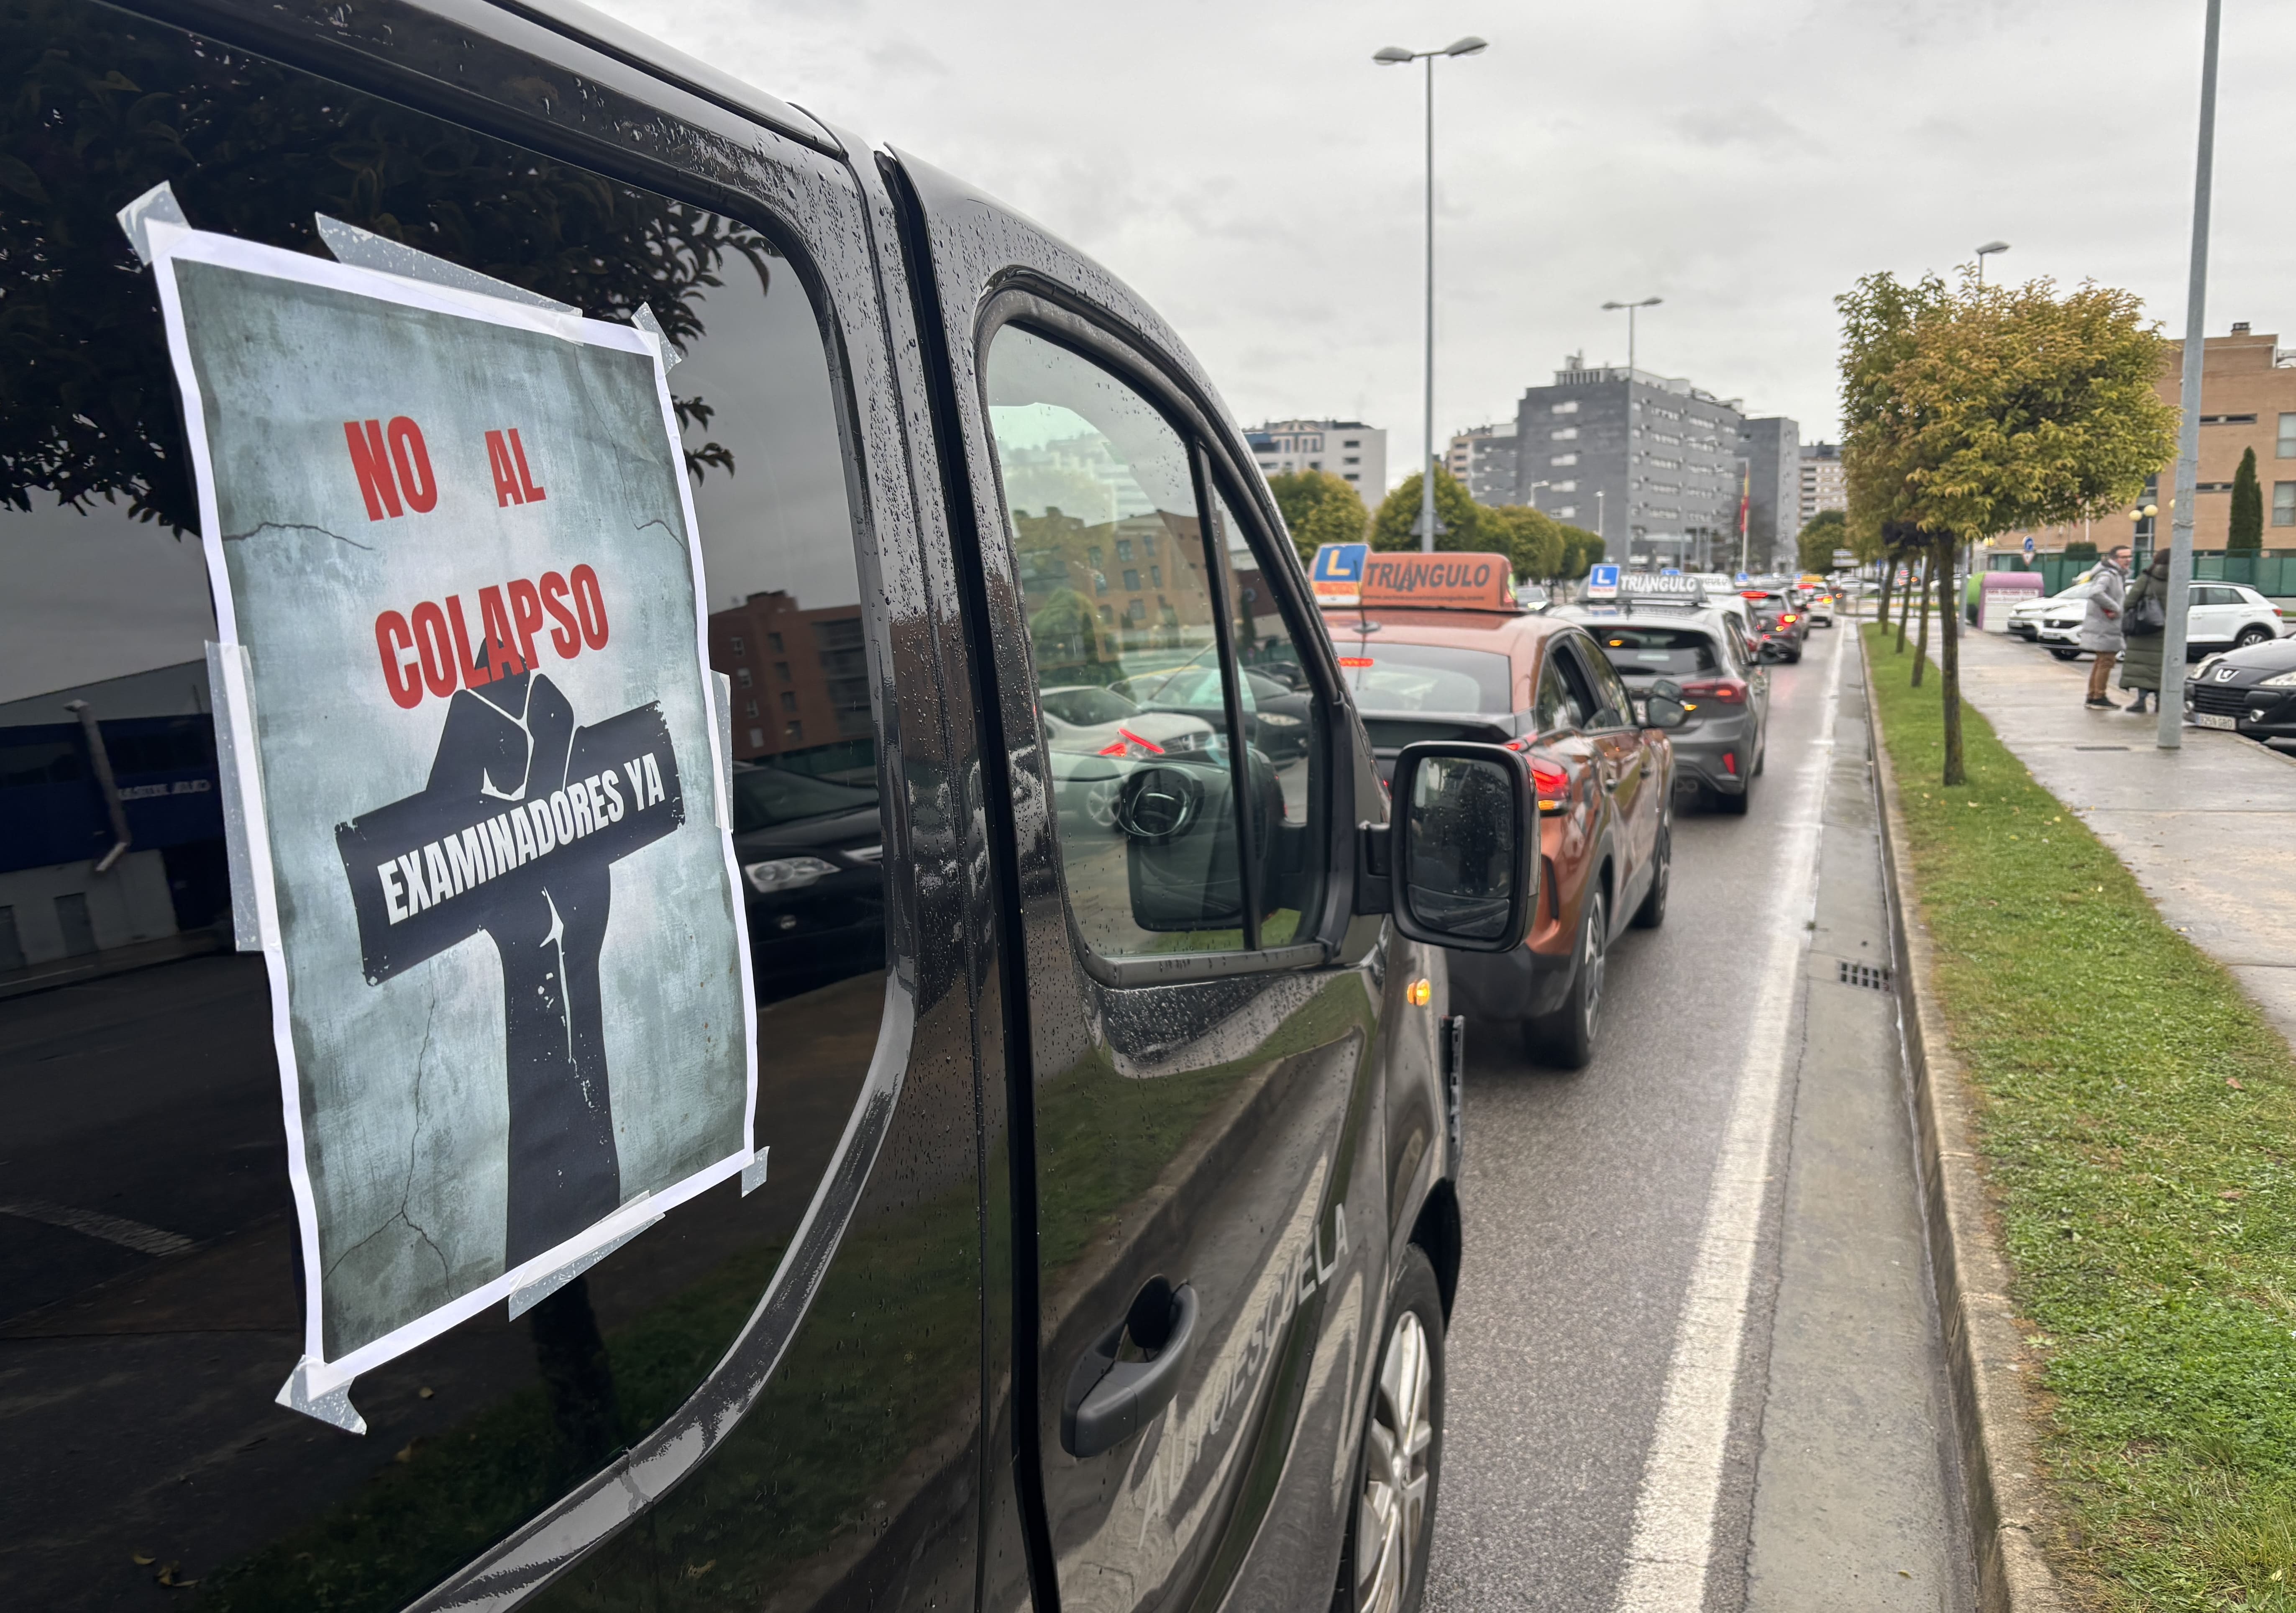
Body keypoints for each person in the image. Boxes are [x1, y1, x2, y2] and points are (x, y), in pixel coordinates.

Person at [2119, 549, 2170, 713]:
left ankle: (2141, 701)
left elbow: (2129, 602)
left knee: (2143, 666)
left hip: (2143, 629)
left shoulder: (2147, 578)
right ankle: (2161, 702)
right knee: (2161, 666)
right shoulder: (2178, 580)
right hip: (2167, 631)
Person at [2079, 545, 2130, 708]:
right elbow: (2096, 593)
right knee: (2107, 661)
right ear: (2114, 559)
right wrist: (2116, 608)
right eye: (2124, 557)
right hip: (2105, 626)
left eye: (2130, 557)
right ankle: (2099, 697)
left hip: (2107, 626)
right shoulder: (2108, 575)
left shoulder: (2117, 575)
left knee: (2102, 660)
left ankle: (2093, 695)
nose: (2128, 560)